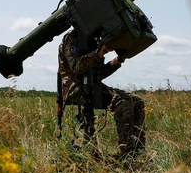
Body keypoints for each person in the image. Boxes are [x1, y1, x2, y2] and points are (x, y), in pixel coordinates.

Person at [58, 29, 146, 162]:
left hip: (93, 85)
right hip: (73, 87)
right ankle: (127, 153)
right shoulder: (72, 37)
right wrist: (99, 53)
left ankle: (138, 151)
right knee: (123, 102)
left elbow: (99, 74)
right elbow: (76, 67)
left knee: (137, 101)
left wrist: (118, 60)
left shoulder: (95, 40)